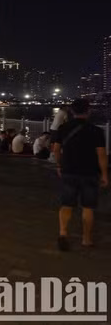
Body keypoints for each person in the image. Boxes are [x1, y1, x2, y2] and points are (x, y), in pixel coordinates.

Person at [52, 99, 108, 251]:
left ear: (72, 111)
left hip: (69, 171)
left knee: (66, 205)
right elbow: (101, 154)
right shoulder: (96, 131)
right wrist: (104, 174)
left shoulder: (63, 128)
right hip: (90, 173)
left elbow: (56, 149)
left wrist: (59, 164)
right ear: (88, 111)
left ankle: (63, 233)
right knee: (88, 207)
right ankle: (86, 238)